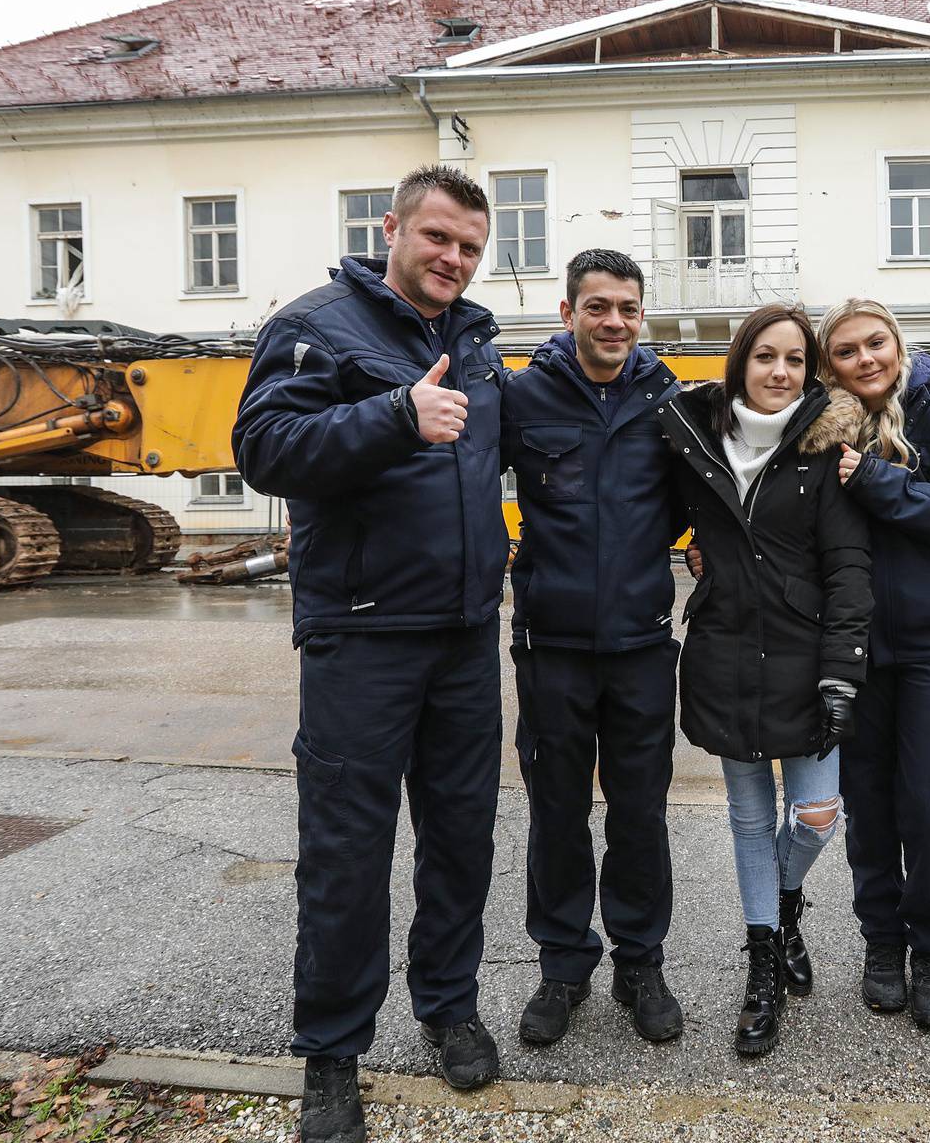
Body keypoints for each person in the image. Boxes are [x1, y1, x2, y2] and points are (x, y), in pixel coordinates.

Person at [232, 165, 508, 1143]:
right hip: (361, 635)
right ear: (390, 226)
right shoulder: (319, 324)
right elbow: (263, 448)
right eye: (438, 237)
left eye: (472, 247)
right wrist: (396, 415)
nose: (454, 259)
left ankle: (448, 1005)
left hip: (467, 636)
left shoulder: (473, 340)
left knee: (462, 840)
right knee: (348, 854)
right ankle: (333, 1055)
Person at [661, 304, 872, 1057]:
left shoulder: (825, 450)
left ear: (809, 370)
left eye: (794, 360)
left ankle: (784, 907)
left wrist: (843, 672)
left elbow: (848, 568)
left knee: (817, 813)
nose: (779, 372)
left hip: (805, 660)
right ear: (740, 363)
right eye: (765, 358)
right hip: (722, 657)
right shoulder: (694, 442)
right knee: (750, 818)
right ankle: (763, 964)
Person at [501, 249, 686, 1047]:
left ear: (641, 316)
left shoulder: (669, 399)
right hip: (553, 647)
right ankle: (563, 964)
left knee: (640, 815)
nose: (614, 321)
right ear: (569, 310)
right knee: (558, 813)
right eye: (599, 306)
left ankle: (640, 962)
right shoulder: (522, 397)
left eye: (628, 308)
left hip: (643, 645)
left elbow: (700, 498)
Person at [819, 299, 930, 1031]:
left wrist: (876, 481)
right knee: (870, 811)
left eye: (876, 343)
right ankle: (882, 946)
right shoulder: (821, 428)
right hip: (859, 647)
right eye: (849, 351)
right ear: (831, 364)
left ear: (898, 345)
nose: (867, 359)